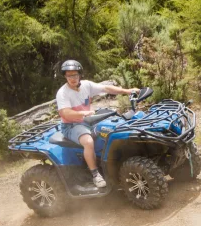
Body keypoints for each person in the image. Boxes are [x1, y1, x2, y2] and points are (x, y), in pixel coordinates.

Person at [55, 60, 139, 188]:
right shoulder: (62, 93)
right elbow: (65, 113)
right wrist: (83, 113)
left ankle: (114, 162)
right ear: (65, 76)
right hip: (71, 125)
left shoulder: (86, 85)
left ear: (80, 74)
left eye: (75, 75)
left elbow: (106, 88)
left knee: (112, 129)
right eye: (69, 75)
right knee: (88, 141)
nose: (72, 78)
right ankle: (95, 174)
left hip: (88, 120)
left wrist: (128, 91)